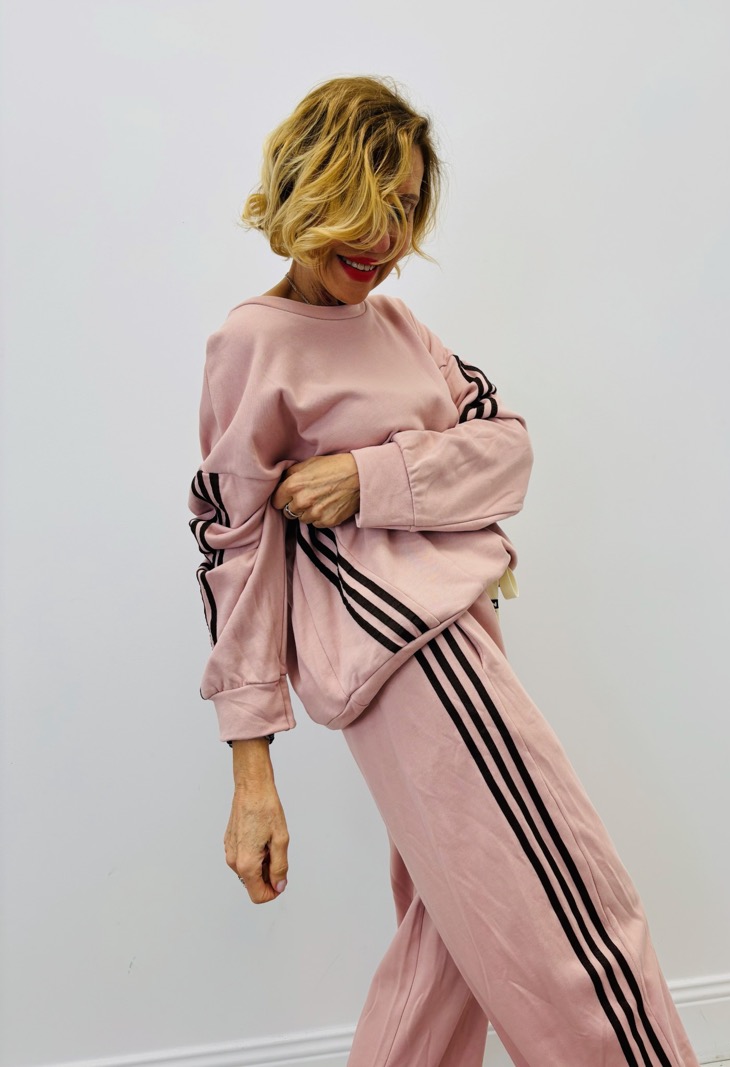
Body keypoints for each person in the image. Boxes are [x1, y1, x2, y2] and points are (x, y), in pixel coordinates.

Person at [189, 75, 700, 1067]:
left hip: (460, 634)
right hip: (412, 658)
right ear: (309, 184)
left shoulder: (401, 329)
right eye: (362, 199)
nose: (381, 236)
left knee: (455, 933)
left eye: (404, 206)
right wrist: (252, 771)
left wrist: (367, 478)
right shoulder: (251, 342)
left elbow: (507, 450)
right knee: (575, 910)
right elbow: (233, 545)